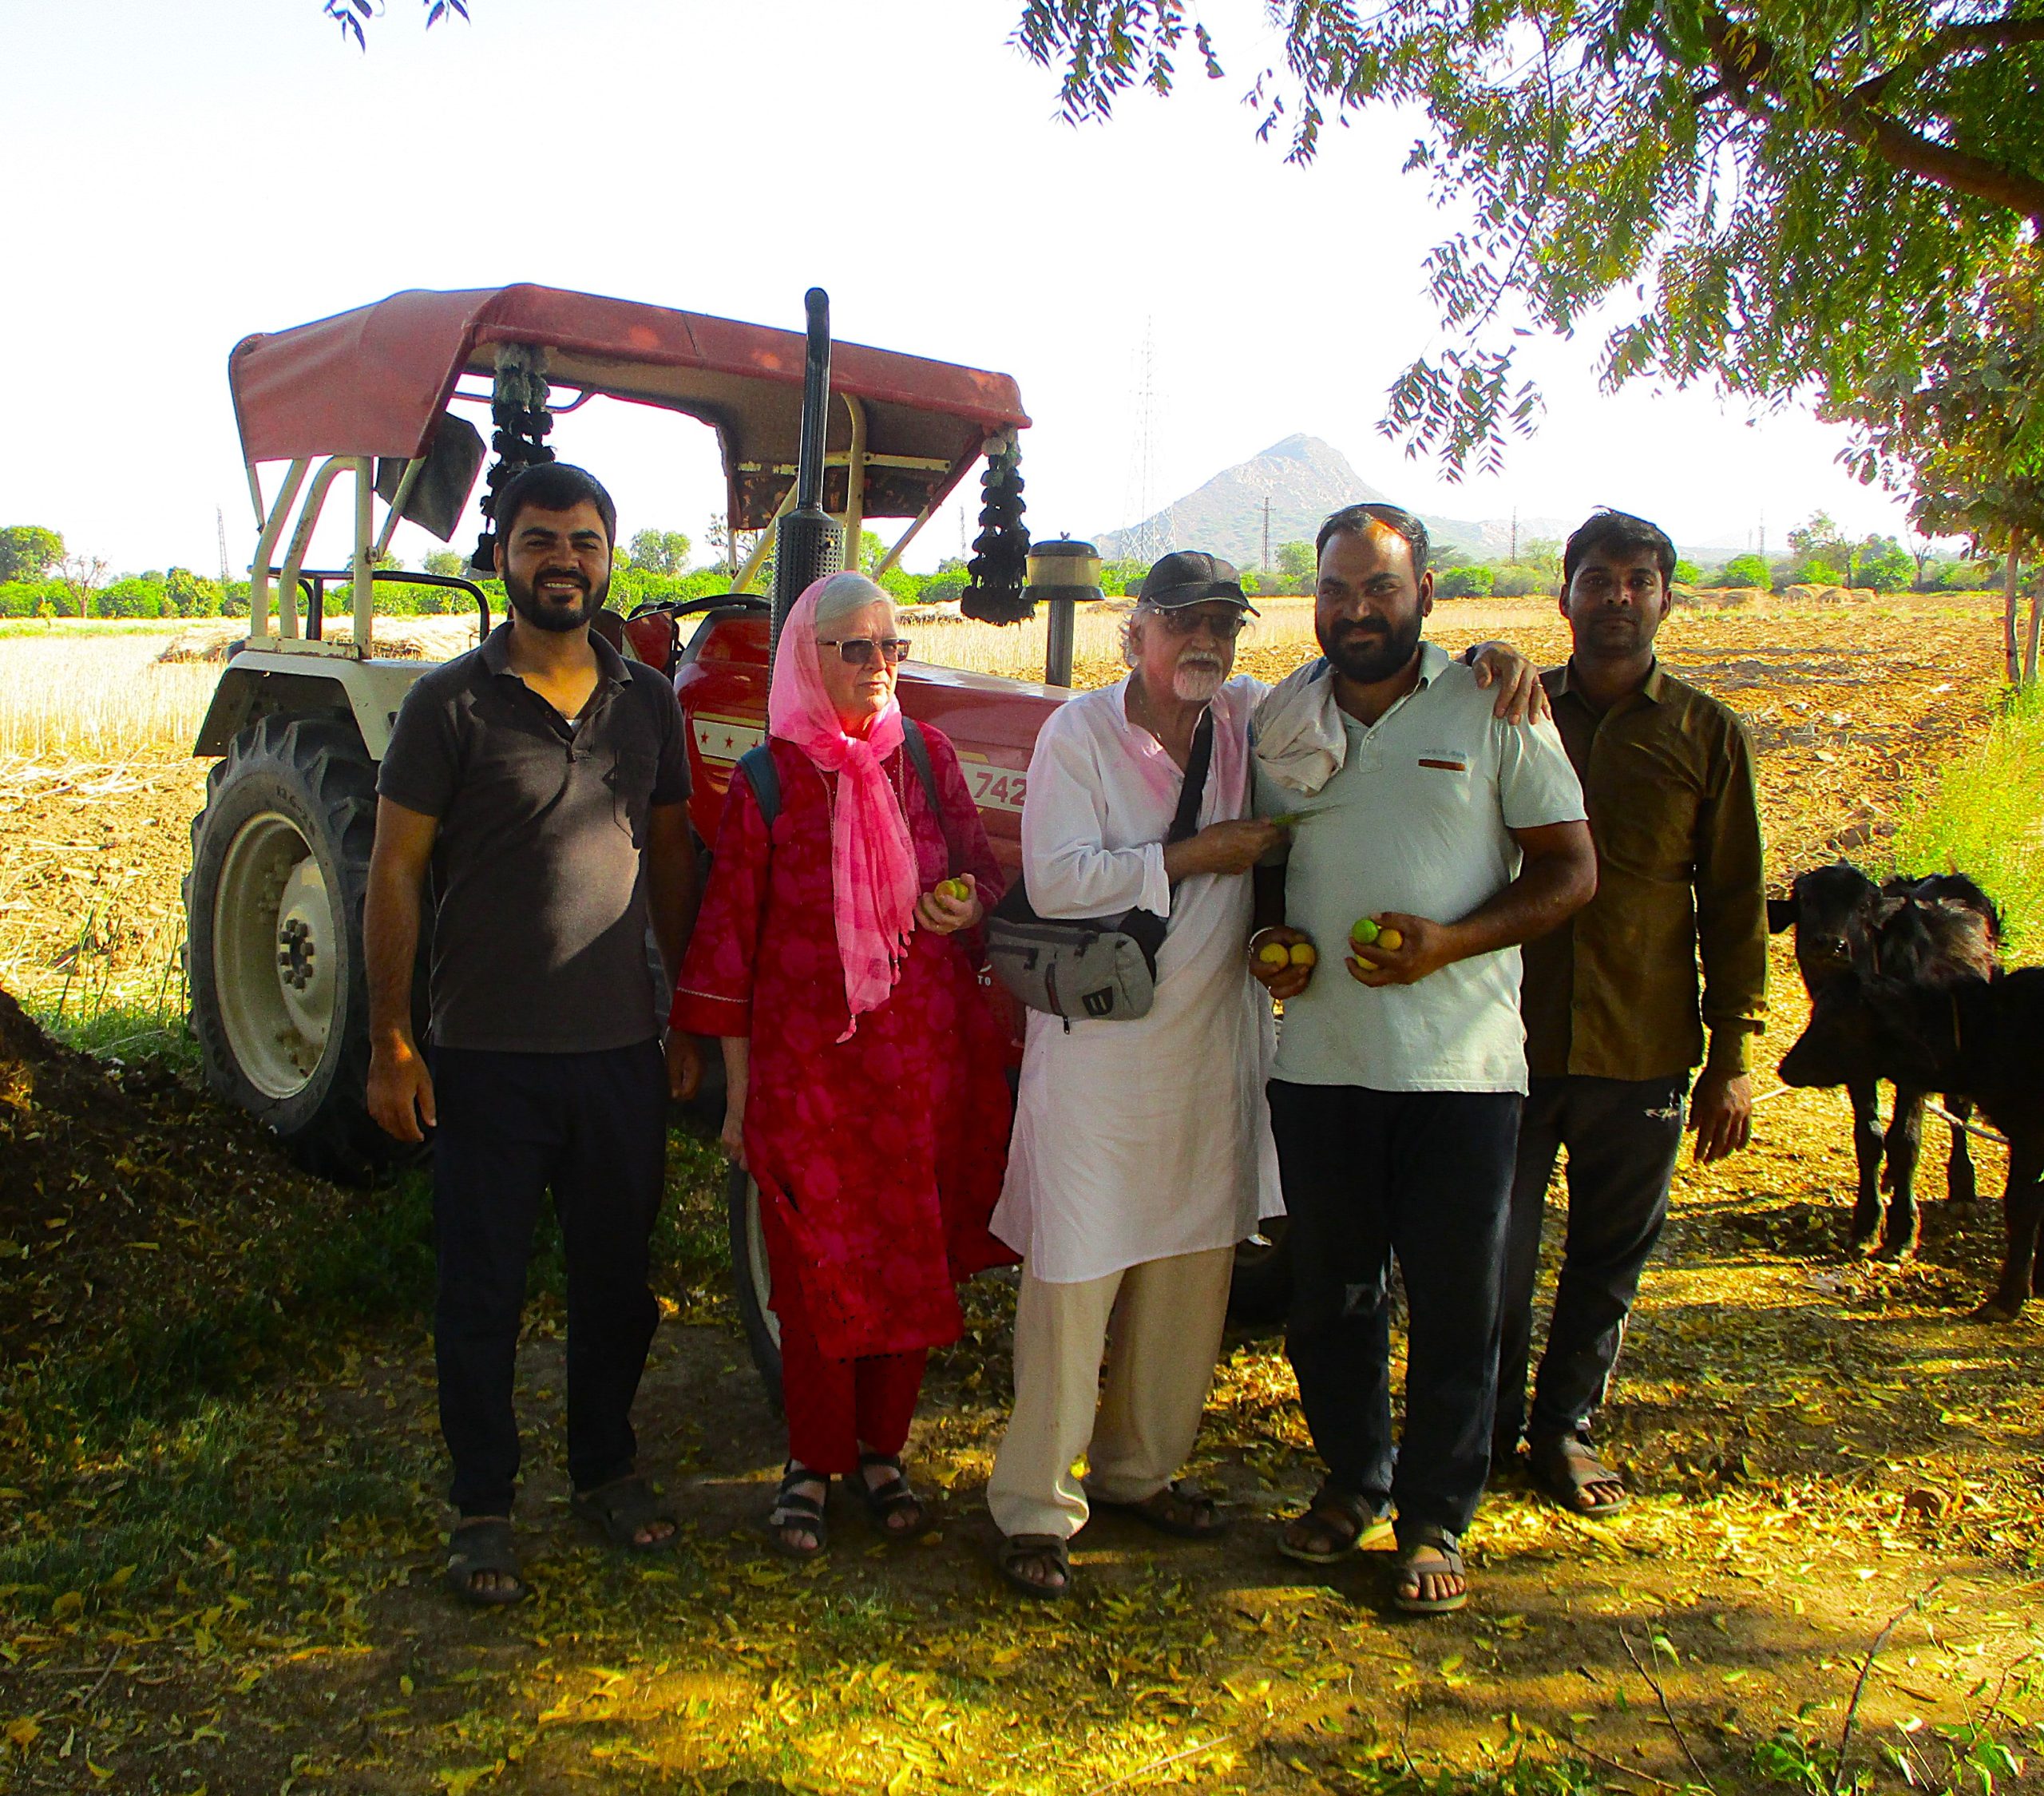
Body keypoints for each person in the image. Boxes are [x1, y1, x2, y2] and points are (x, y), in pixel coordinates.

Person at [1250, 501, 1597, 1615]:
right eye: (1337, 589)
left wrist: (1449, 942)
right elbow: (1268, 863)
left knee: (1457, 1303)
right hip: (1322, 1063)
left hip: (1461, 1070)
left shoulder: (1495, 703)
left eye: (1380, 589)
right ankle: (1354, 1479)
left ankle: (1437, 1515)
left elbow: (1570, 871)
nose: (1357, 610)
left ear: (1426, 595)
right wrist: (1271, 941)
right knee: (1330, 1298)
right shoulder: (1281, 716)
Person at [364, 462, 700, 1606]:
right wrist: (392, 1040)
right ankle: (483, 1505)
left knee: (616, 1284)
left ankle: (605, 1469)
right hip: (485, 1056)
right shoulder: (448, 705)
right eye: (541, 538)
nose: (565, 559)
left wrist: (687, 1012)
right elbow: (394, 870)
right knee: (482, 1291)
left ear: (610, 558)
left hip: (618, 1052)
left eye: (585, 540)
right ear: (502, 554)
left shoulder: (649, 702)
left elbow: (672, 859)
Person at [671, 572, 1015, 1560]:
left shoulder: (927, 758)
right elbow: (730, 943)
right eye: (855, 648)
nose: (878, 665)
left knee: (908, 1258)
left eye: (891, 646)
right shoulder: (769, 780)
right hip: (809, 1077)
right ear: (807, 657)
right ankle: (810, 1459)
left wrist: (964, 901)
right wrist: (739, 1097)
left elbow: (984, 876)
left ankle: (881, 1452)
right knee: (814, 1271)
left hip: (918, 1069)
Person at [986, 551, 1288, 1601]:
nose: (1206, 641)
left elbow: (1352, 698)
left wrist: (1478, 665)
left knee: (1190, 1274)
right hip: (1099, 1058)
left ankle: (1138, 1470)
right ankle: (1034, 1505)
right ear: (1137, 632)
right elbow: (1058, 880)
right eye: (1184, 621)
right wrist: (1200, 854)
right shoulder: (1080, 732)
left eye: (1223, 624)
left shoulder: (1249, 717)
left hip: (1211, 1055)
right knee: (1073, 1281)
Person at [1495, 509, 1765, 1517]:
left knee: (1608, 1256)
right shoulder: (1510, 711)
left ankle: (1563, 1429)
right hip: (1506, 1038)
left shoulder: (1706, 733)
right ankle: (1480, 1431)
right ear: (1563, 595)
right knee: (1491, 1253)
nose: (1618, 596)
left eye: (1638, 580)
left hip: (1643, 1042)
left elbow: (1733, 901)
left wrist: (1731, 1058)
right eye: (1599, 577)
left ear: (1665, 599)